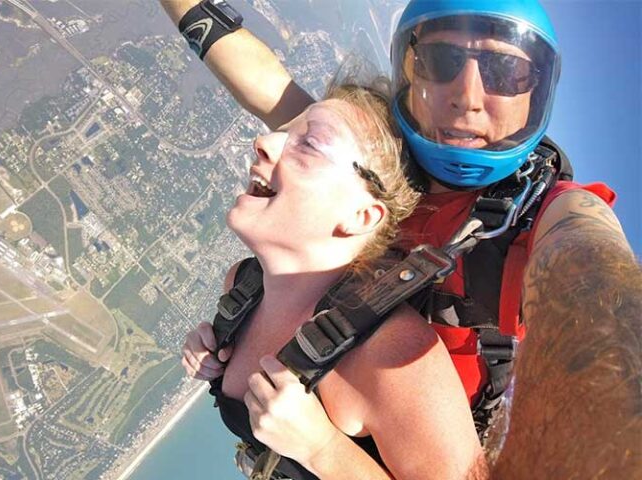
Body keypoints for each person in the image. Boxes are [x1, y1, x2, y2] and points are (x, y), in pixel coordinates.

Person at [163, 0, 641, 478]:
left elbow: (594, 263)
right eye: (441, 62)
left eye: (505, 72)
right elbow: (266, 85)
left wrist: (324, 449)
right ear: (410, 75)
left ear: (537, 94)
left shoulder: (546, 213)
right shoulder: (375, 164)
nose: (467, 96)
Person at [183, 79, 484, 479]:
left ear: (361, 216)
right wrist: (211, 354)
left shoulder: (397, 356)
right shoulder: (243, 286)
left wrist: (322, 447)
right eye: (285, 134)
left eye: (308, 144)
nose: (264, 142)